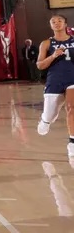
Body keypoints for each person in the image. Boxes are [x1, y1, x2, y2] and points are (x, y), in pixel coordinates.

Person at [36, 15, 74, 166]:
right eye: (53, 21)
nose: (56, 23)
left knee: (71, 108)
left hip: (73, 79)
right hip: (55, 81)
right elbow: (40, 65)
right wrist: (53, 56)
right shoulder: (46, 43)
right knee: (51, 115)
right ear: (50, 25)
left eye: (59, 21)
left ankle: (72, 142)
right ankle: (45, 120)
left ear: (65, 23)